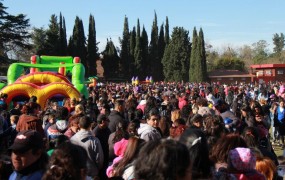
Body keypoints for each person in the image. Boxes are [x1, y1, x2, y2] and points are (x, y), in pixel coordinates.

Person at [92, 113, 111, 179]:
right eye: (107, 120)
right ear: (103, 121)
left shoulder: (107, 129)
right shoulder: (96, 132)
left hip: (106, 156)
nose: (109, 122)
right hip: (100, 158)